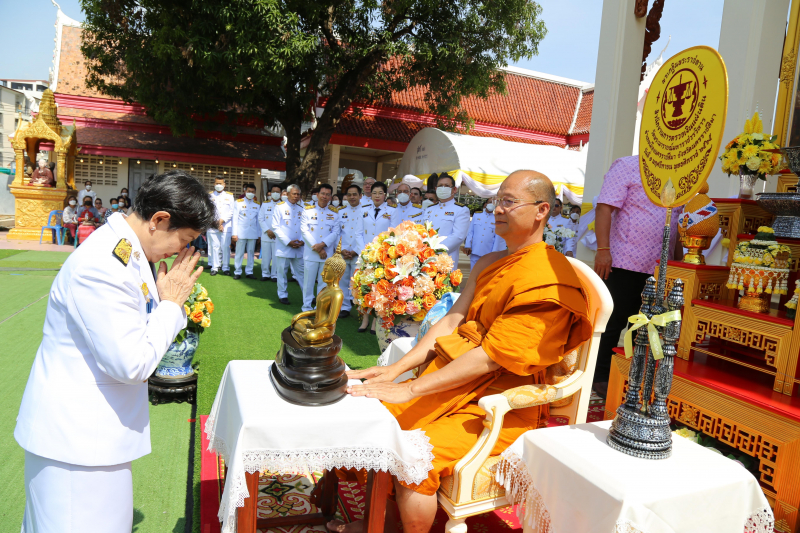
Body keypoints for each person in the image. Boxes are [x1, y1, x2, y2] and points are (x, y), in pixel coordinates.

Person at [335, 170, 592, 533]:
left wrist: (410, 388)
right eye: (496, 200)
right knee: (375, 420)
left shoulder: (550, 277)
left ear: (541, 210)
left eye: (508, 201)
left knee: (413, 457)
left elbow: (494, 356)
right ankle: (381, 522)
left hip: (501, 400)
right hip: (452, 379)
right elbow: (452, 321)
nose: (497, 209)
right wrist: (395, 371)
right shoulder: (488, 263)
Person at [15, 170, 214, 533]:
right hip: (75, 442)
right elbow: (131, 362)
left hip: (93, 438)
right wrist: (171, 305)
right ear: (159, 220)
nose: (180, 252)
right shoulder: (104, 266)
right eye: (183, 240)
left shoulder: (126, 253)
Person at [592, 155, 682, 399]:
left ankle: (633, 376)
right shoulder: (628, 165)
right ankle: (599, 376)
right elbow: (604, 208)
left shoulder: (682, 169)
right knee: (614, 323)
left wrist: (678, 265)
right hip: (624, 261)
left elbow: (676, 222)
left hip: (660, 267)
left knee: (647, 327)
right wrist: (603, 251)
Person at [301, 184, 341, 312]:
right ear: (317, 195)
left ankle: (319, 308)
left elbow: (335, 232)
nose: (325, 196)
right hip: (311, 253)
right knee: (308, 283)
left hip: (326, 254)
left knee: (324, 283)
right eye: (322, 193)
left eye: (328, 194)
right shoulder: (307, 210)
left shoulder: (334, 213)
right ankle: (306, 307)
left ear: (330, 197)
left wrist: (322, 245)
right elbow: (304, 231)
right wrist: (318, 248)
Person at [360, 181, 394, 333]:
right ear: (370, 194)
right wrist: (364, 250)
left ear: (385, 195)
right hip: (366, 255)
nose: (377, 196)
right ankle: (364, 319)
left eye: (380, 193)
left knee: (378, 288)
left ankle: (375, 321)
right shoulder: (363, 210)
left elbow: (393, 234)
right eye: (374, 193)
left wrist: (382, 250)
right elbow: (358, 233)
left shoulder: (393, 211)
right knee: (363, 287)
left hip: (382, 255)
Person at [424, 174, 470, 266]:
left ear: (454, 189)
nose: (443, 188)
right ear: (436, 189)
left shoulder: (461, 210)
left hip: (445, 259)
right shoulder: (429, 209)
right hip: (424, 258)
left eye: (446, 186)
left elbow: (458, 236)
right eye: (440, 186)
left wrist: (434, 250)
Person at [272, 184, 306, 305]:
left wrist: (302, 240)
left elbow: (304, 227)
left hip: (298, 246)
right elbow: (275, 227)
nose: (296, 196)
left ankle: (307, 296)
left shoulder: (302, 209)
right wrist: (288, 242)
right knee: (282, 272)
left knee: (302, 273)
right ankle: (282, 295)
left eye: (298, 194)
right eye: (294, 194)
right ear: (288, 194)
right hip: (285, 246)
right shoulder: (279, 207)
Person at [337, 184, 365, 319]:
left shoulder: (365, 211)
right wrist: (342, 250)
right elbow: (337, 233)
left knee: (356, 281)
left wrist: (355, 251)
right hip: (343, 252)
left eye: (355, 194)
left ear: (360, 196)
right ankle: (344, 307)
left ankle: (360, 308)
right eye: (349, 194)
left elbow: (363, 234)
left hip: (357, 253)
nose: (352, 197)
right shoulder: (340, 211)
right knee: (342, 281)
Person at [232, 183, 261, 280]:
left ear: (255, 193)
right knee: (239, 252)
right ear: (245, 191)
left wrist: (259, 234)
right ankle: (237, 271)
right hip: (241, 232)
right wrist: (234, 234)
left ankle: (249, 271)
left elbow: (258, 221)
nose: (251, 193)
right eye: (249, 191)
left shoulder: (257, 205)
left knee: (251, 252)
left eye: (252, 192)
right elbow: (235, 219)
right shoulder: (238, 202)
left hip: (252, 232)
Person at [207, 176, 235, 276]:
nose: (219, 185)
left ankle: (226, 267)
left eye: (221, 183)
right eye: (217, 183)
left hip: (226, 226)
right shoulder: (209, 196)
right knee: (215, 247)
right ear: (214, 184)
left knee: (226, 247)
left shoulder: (230, 196)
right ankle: (215, 267)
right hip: (213, 225)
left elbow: (232, 211)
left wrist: (222, 221)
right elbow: (209, 211)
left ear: (224, 184)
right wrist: (217, 223)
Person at [258, 185, 282, 281]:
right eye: (273, 191)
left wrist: (275, 232)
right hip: (266, 235)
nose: (275, 194)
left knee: (276, 257)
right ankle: (265, 274)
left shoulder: (283, 205)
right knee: (266, 256)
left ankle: (275, 275)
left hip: (278, 236)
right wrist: (268, 231)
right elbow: (261, 218)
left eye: (277, 192)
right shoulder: (265, 204)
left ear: (280, 193)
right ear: (271, 193)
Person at [463, 200, 496, 269]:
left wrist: (494, 252)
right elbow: (470, 231)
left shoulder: (496, 219)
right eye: (490, 202)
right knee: (473, 271)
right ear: (485, 204)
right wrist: (468, 245)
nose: (491, 204)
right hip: (475, 249)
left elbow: (497, 237)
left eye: (493, 203)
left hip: (488, 251)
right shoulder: (477, 215)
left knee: (484, 273)